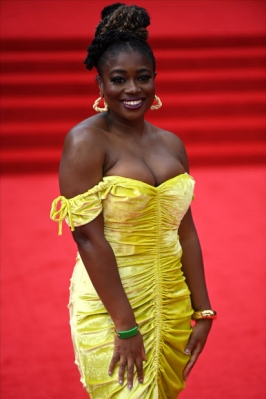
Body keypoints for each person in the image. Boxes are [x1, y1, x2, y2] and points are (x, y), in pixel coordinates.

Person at [50, 3, 216, 398]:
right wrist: (125, 326)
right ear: (100, 84)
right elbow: (88, 238)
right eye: (118, 79)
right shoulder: (85, 142)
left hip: (171, 297)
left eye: (142, 78)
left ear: (155, 80)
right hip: (112, 303)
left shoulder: (171, 144)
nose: (132, 90)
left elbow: (186, 231)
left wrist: (203, 310)